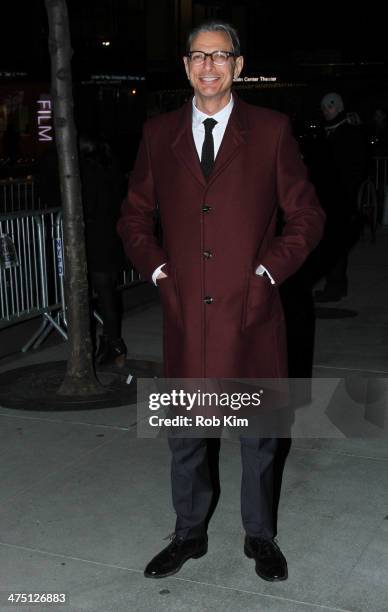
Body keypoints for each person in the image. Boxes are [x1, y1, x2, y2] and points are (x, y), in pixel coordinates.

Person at [118, 20, 325, 582]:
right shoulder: (159, 134)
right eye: (198, 56)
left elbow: (306, 215)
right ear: (186, 66)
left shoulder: (272, 130)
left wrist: (268, 271)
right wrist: (159, 271)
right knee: (185, 437)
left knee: (259, 437)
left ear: (238, 66)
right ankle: (189, 534)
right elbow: (134, 215)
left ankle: (260, 536)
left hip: (252, 311)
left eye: (221, 56)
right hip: (186, 315)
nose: (208, 66)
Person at [311, 93, 368, 302]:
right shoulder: (327, 132)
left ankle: (335, 286)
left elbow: (356, 167)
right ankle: (334, 284)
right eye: (325, 107)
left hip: (340, 198)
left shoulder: (347, 133)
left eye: (331, 107)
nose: (327, 111)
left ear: (339, 108)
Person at [79, 134, 127, 366]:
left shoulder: (89, 171)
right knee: (108, 291)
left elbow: (89, 204)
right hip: (112, 234)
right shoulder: (111, 169)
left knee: (99, 291)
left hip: (97, 237)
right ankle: (113, 341)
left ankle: (111, 341)